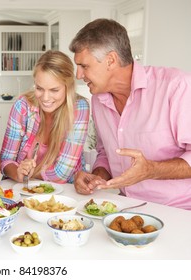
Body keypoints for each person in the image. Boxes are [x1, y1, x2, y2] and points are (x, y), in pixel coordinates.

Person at [70, 18, 191, 210]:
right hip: (125, 207)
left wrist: (150, 170)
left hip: (178, 212)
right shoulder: (98, 99)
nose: (78, 75)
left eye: (84, 66)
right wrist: (97, 177)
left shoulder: (176, 87)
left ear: (110, 60)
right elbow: (105, 153)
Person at [0, 50, 90, 184]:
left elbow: (61, 174)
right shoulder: (22, 106)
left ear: (68, 87)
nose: (45, 98)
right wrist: (18, 173)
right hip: (22, 190)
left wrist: (27, 175)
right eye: (39, 88)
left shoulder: (79, 108)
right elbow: (5, 160)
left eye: (54, 90)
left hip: (65, 195)